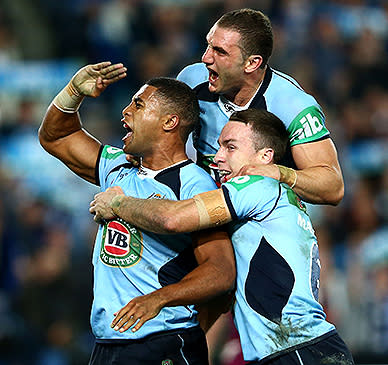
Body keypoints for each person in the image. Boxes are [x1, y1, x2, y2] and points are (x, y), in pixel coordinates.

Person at [90, 108, 355, 365]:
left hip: (297, 349)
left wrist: (118, 205)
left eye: (230, 147)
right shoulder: (267, 204)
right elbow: (225, 292)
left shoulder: (256, 184)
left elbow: (173, 218)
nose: (216, 157)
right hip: (297, 349)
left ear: (265, 156)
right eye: (219, 146)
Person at [38, 61, 236, 365]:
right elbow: (56, 137)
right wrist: (73, 92)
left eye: (138, 104)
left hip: (162, 341)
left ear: (169, 122)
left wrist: (159, 299)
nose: (125, 111)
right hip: (108, 343)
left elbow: (221, 272)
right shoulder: (118, 167)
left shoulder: (195, 185)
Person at [176, 8, 344, 205]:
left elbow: (333, 187)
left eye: (220, 52)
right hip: (205, 204)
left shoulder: (292, 106)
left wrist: (278, 173)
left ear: (252, 63)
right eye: (209, 46)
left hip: (261, 217)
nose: (206, 58)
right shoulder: (192, 79)